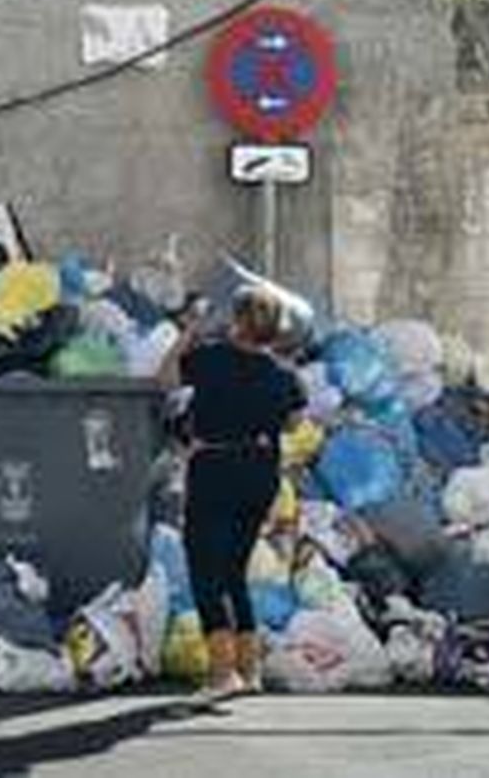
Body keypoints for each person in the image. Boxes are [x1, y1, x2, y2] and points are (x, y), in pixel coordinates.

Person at [160, 286, 305, 700]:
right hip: (261, 474)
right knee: (235, 570)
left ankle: (221, 674)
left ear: (238, 321)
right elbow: (295, 423)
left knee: (205, 570)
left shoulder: (211, 360)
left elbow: (165, 379)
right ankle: (250, 668)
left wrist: (188, 332)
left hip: (216, 469)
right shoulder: (282, 373)